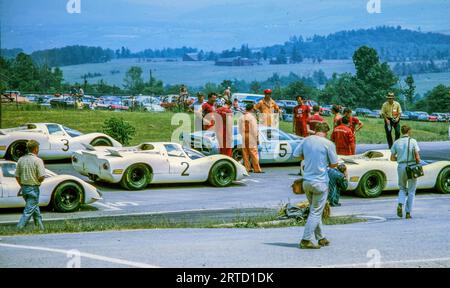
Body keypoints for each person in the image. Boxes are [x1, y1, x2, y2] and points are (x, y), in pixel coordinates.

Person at [293, 122, 338, 249]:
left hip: (306, 181)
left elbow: (296, 155)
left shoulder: (306, 140)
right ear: (326, 132)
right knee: (315, 212)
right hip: (320, 182)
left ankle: (321, 238)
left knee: (315, 210)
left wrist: (307, 158)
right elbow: (334, 164)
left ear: (315, 130)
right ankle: (305, 240)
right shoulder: (328, 144)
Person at [390, 125, 421, 219]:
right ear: (409, 131)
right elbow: (417, 158)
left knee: (402, 188)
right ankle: (408, 213)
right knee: (411, 191)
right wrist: (418, 161)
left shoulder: (396, 142)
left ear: (401, 132)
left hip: (401, 166)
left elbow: (392, 158)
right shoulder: (413, 141)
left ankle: (400, 203)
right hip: (411, 167)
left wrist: (400, 158)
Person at [15, 140, 46, 231]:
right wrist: (39, 182)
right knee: (28, 211)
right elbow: (41, 176)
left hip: (24, 188)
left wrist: (22, 185)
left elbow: (17, 176)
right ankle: (19, 228)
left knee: (34, 208)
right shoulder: (38, 160)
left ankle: (41, 228)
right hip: (33, 188)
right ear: (36, 149)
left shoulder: (21, 159)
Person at [238, 104, 263, 173]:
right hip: (251, 135)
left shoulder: (241, 117)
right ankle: (257, 169)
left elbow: (239, 128)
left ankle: (247, 168)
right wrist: (257, 138)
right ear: (252, 109)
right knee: (253, 152)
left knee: (245, 152)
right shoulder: (252, 117)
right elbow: (254, 129)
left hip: (244, 135)